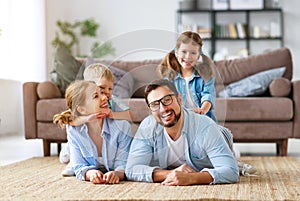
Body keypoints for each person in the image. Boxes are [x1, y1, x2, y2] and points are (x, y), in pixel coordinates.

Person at [158, 31, 256, 176]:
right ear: (176, 52)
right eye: (184, 52)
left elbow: (208, 95)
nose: (187, 57)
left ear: (199, 55)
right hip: (182, 121)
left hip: (203, 120)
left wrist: (203, 110)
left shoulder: (205, 74)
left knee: (219, 144)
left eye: (193, 53)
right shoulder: (170, 76)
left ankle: (232, 161)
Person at [125, 79, 239, 185]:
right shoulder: (148, 127)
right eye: (155, 105)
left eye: (167, 100)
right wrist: (170, 173)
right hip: (177, 164)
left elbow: (231, 172)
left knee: (230, 153)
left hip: (220, 138)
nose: (163, 109)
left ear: (179, 99)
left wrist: (191, 178)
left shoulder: (205, 126)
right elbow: (131, 169)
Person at [59, 63, 134, 176]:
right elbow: (70, 121)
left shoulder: (113, 100)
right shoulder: (82, 104)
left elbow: (129, 115)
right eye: (101, 89)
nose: (107, 94)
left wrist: (111, 113)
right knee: (68, 153)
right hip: (79, 140)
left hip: (104, 135)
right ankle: (73, 163)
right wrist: (87, 118)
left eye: (110, 89)